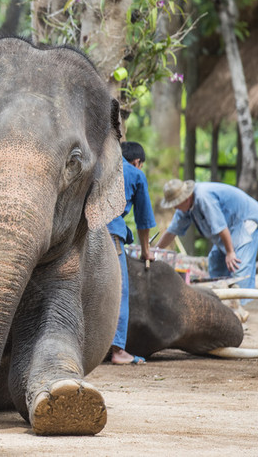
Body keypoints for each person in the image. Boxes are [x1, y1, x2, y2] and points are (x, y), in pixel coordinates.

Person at [155, 179, 258, 303]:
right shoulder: (184, 208)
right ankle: (221, 303)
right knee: (216, 261)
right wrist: (155, 251)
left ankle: (241, 308)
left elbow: (221, 227)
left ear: (185, 199)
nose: (174, 207)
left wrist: (230, 252)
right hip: (228, 229)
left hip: (244, 220)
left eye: (175, 203)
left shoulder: (203, 197)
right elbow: (171, 232)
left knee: (238, 266)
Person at [106, 141, 156, 365]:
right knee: (119, 291)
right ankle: (118, 349)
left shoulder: (102, 165)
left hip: (81, 235)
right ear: (137, 162)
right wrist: (146, 251)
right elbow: (144, 220)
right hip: (110, 235)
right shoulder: (135, 174)